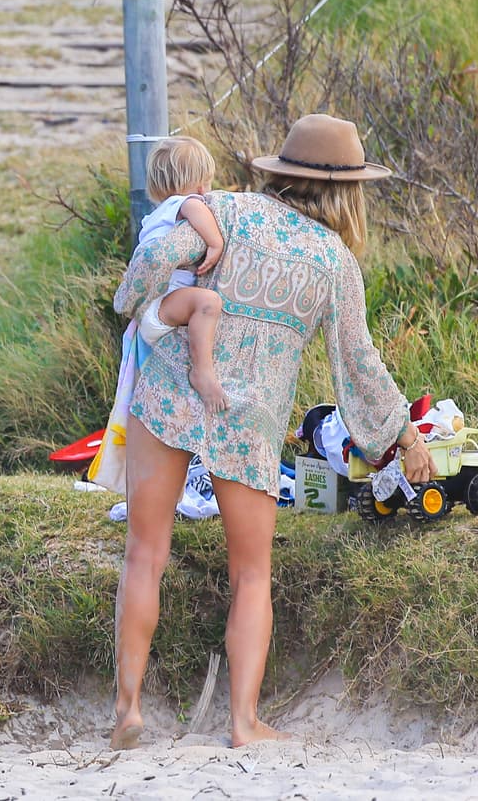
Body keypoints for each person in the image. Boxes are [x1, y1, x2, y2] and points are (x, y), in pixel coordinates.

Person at [109, 113, 436, 750]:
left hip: (171, 392)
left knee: (145, 553)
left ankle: (128, 710)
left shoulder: (226, 211)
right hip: (250, 422)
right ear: (348, 191)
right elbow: (358, 366)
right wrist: (404, 436)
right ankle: (243, 723)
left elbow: (152, 256)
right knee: (252, 575)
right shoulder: (334, 262)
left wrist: (135, 303)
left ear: (282, 171)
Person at [133, 136, 229, 413]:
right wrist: (215, 243)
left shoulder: (154, 216)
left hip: (159, 306)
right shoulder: (182, 204)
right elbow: (195, 208)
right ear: (199, 185)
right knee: (208, 303)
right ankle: (202, 373)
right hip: (162, 304)